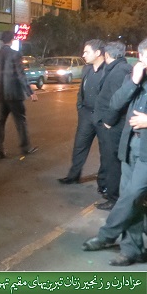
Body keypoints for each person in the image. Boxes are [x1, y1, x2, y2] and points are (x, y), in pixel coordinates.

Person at [82, 37, 147, 266]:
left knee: (131, 196)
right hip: (130, 146)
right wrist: (134, 81)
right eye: (144, 56)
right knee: (132, 199)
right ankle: (132, 249)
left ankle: (106, 235)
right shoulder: (136, 77)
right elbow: (116, 102)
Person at [58, 40, 106, 189]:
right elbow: (81, 91)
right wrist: (80, 107)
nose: (83, 55)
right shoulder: (87, 69)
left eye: (86, 52)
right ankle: (73, 176)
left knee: (105, 151)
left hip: (102, 117)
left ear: (97, 53)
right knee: (79, 146)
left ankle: (104, 183)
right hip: (86, 114)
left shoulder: (109, 71)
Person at [92, 41, 132, 210]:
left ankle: (114, 198)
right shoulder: (118, 68)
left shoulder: (118, 71)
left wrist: (108, 121)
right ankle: (109, 190)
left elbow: (118, 101)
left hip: (113, 127)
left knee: (112, 162)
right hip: (110, 124)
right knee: (109, 160)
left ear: (107, 55)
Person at [0, 30, 38, 159]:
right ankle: (25, 147)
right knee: (20, 121)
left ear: (1, 41)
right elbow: (20, 75)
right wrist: (30, 92)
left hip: (0, 94)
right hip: (14, 94)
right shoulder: (16, 55)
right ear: (12, 40)